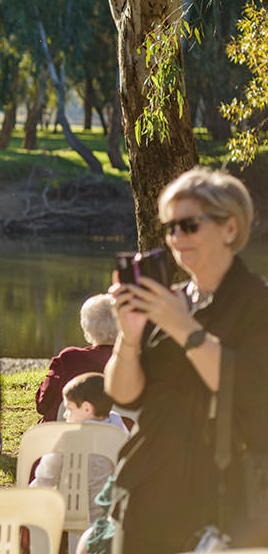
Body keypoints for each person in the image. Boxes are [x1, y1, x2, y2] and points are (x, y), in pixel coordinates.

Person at [100, 167, 268, 553]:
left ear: (230, 228)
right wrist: (129, 335)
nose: (176, 238)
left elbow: (250, 389)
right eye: (170, 227)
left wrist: (182, 326)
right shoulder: (171, 300)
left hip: (229, 500)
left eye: (189, 225)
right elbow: (125, 398)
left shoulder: (257, 302)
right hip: (149, 491)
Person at [30, 373, 128, 523]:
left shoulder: (67, 436)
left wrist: (29, 499)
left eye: (69, 408)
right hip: (110, 512)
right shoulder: (117, 426)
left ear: (87, 408)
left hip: (69, 511)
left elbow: (46, 476)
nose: (65, 414)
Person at [36, 294, 118, 422]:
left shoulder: (69, 358)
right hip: (118, 438)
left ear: (86, 326)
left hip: (63, 437)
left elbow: (43, 404)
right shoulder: (138, 361)